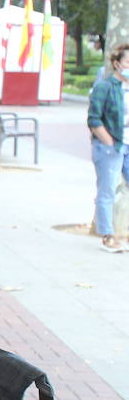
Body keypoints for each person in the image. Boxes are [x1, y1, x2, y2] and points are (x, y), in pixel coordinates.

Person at [88, 44, 129, 252]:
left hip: (127, 145)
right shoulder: (105, 87)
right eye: (128, 62)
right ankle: (107, 236)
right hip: (110, 147)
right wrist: (108, 142)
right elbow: (94, 118)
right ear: (117, 64)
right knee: (107, 191)